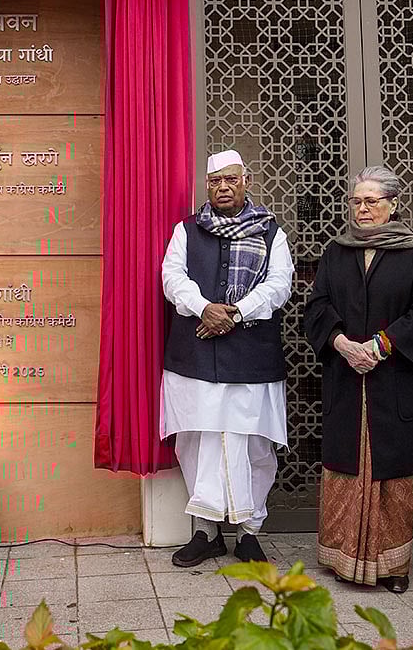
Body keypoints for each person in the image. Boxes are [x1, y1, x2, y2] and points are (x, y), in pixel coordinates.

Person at [303, 166, 413, 593]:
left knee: (394, 472)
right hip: (345, 377)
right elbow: (317, 305)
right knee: (345, 466)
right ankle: (343, 559)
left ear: (393, 205)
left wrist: (380, 346)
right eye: (356, 201)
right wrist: (342, 343)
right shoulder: (336, 252)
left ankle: (394, 565)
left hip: (394, 378)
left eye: (372, 201)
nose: (362, 209)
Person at [161, 149, 294, 567]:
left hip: (252, 355)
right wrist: (205, 308)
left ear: (245, 181)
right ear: (207, 185)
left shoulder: (272, 232)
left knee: (253, 443)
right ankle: (206, 532)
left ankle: (250, 532)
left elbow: (279, 285)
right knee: (196, 441)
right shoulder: (187, 230)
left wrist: (236, 311)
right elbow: (171, 277)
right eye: (215, 181)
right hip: (195, 355)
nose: (222, 188)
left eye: (230, 180)